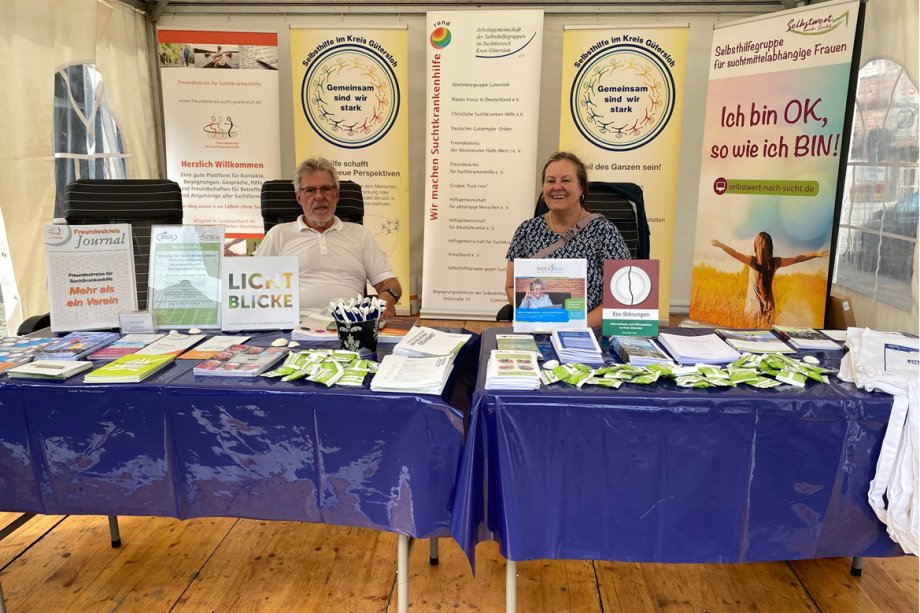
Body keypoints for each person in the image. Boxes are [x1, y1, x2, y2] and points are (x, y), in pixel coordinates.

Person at [255, 157, 402, 319]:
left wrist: (388, 297)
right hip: (291, 324)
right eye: (310, 190)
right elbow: (253, 287)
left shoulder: (360, 234)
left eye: (326, 189)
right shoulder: (278, 234)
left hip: (349, 324)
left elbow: (390, 283)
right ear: (299, 198)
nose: (319, 197)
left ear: (337, 195)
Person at [505, 151, 630, 328]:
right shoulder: (526, 231)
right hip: (538, 330)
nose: (557, 187)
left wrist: (573, 327)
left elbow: (621, 296)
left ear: (581, 189)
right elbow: (511, 288)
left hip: (591, 334)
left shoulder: (604, 232)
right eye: (550, 181)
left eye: (566, 180)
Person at [711, 232, 829, 327]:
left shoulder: (752, 261)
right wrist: (816, 253)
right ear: (771, 247)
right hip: (769, 309)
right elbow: (796, 259)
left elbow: (734, 253)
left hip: (752, 310)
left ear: (756, 246)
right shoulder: (775, 263)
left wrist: (720, 245)